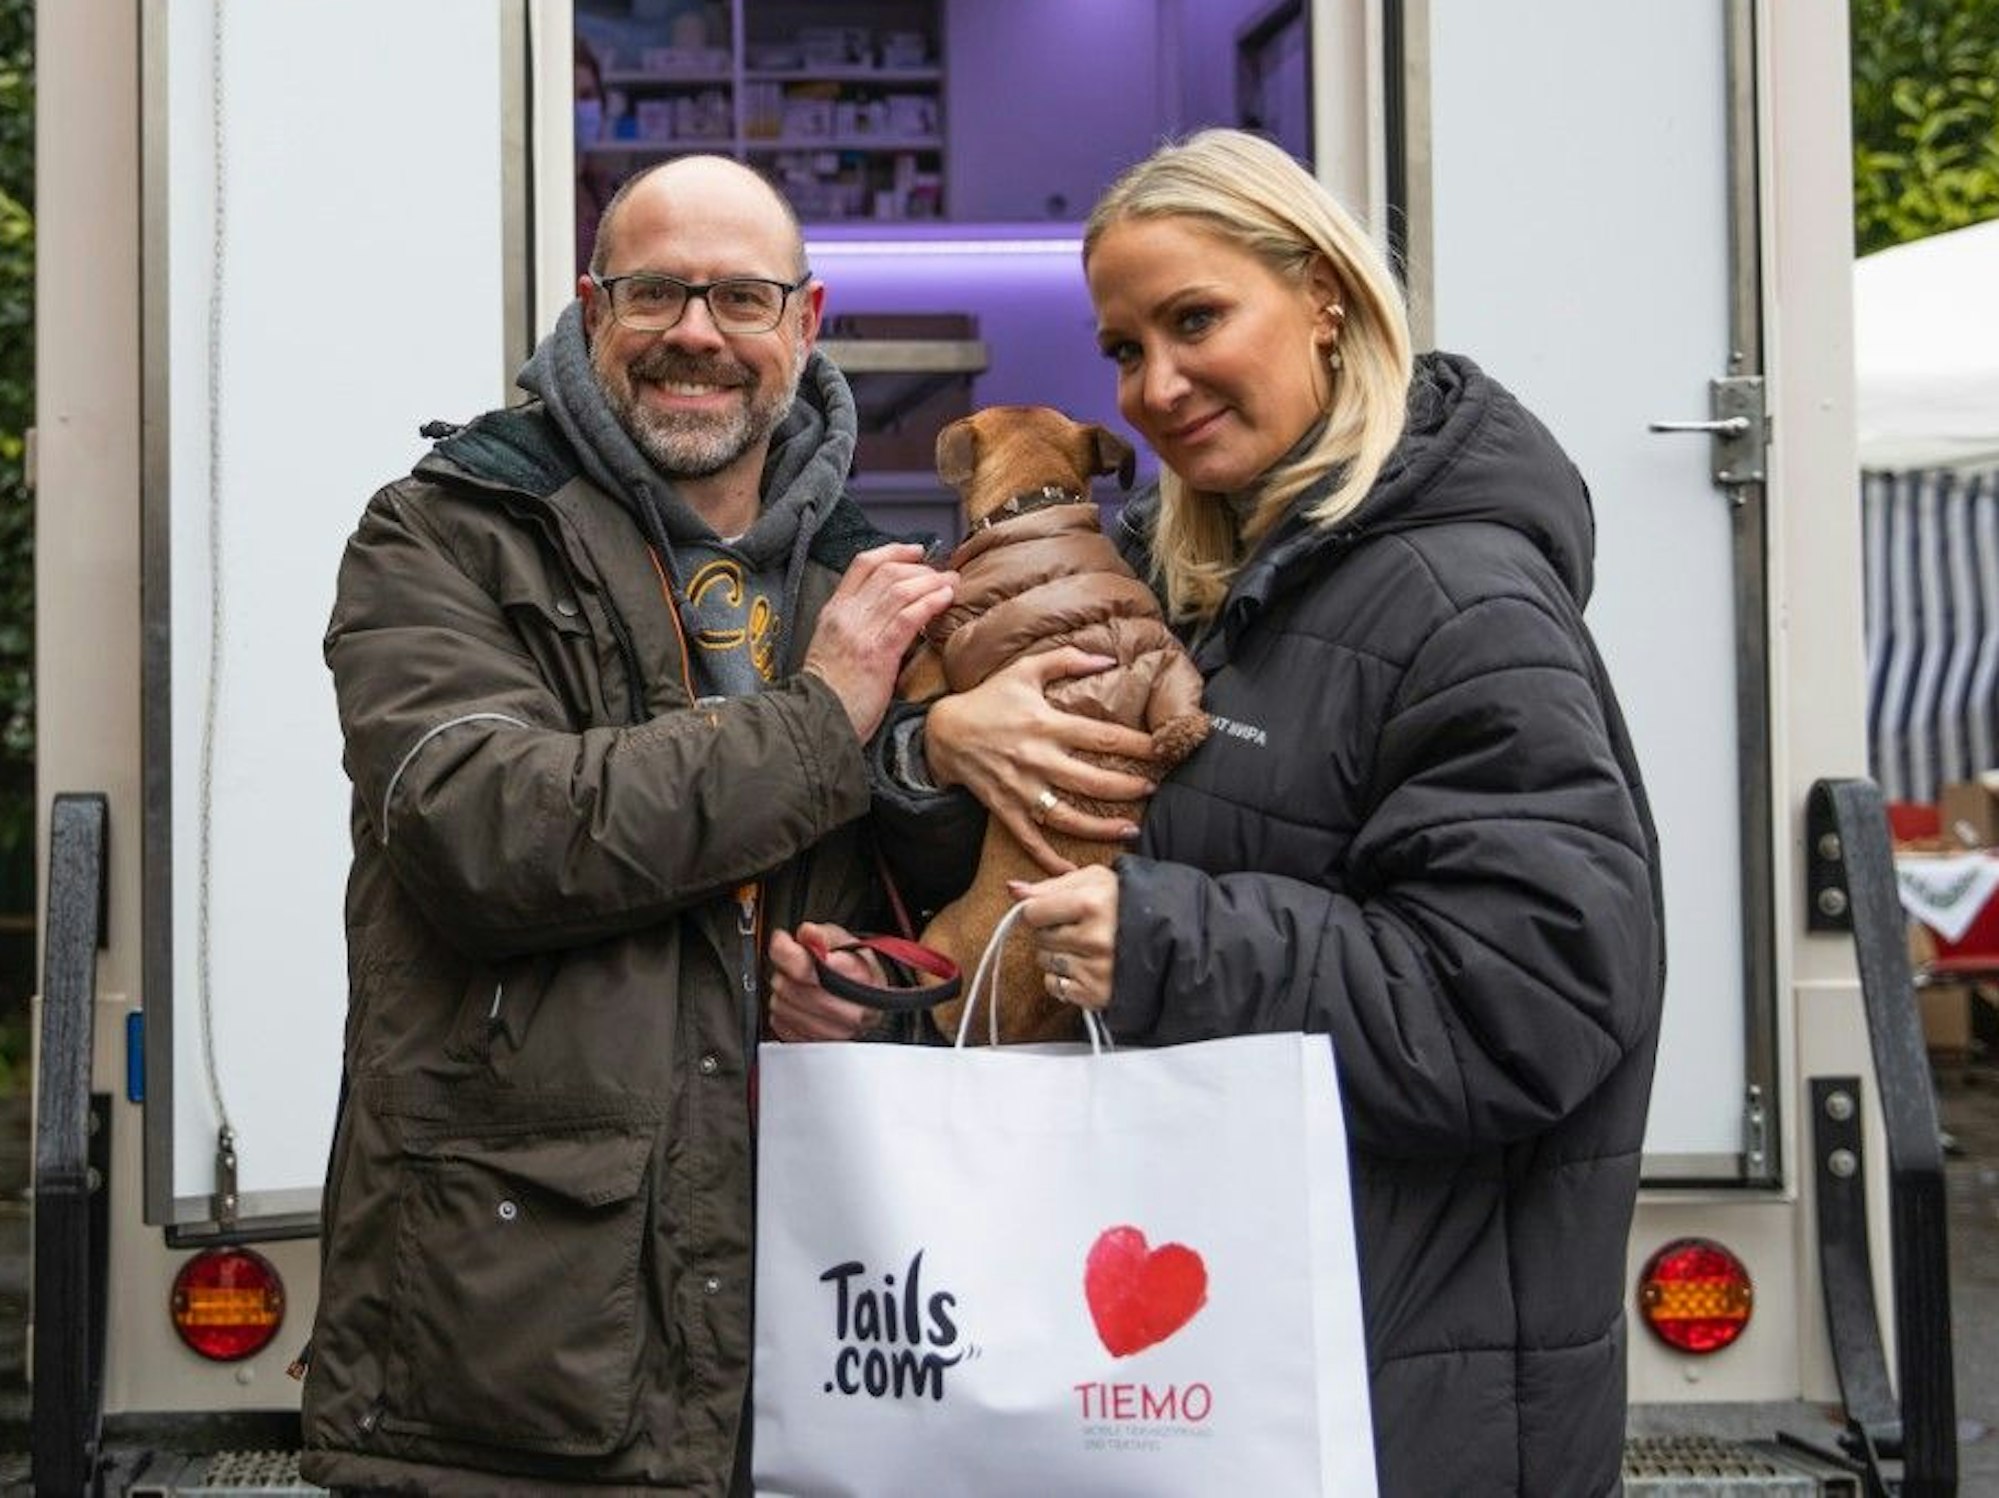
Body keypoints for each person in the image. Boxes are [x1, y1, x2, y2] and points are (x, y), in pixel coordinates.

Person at [924, 129, 1666, 1495]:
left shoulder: (1460, 602)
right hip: (1234, 1383)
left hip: (1401, 1422)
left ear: (1324, 295)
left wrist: (1159, 943)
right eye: (1122, 348)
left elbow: (1529, 1001)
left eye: (1195, 319)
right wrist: (946, 742)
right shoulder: (1215, 588)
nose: (1154, 385)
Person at [299, 154, 967, 1495]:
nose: (697, 333)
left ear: (809, 319)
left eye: (741, 295)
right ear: (595, 310)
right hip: (518, 1352)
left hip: (819, 1339)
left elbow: (956, 920)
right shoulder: (449, 533)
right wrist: (825, 713)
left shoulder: (876, 577)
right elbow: (482, 831)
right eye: (656, 291)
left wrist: (883, 994)